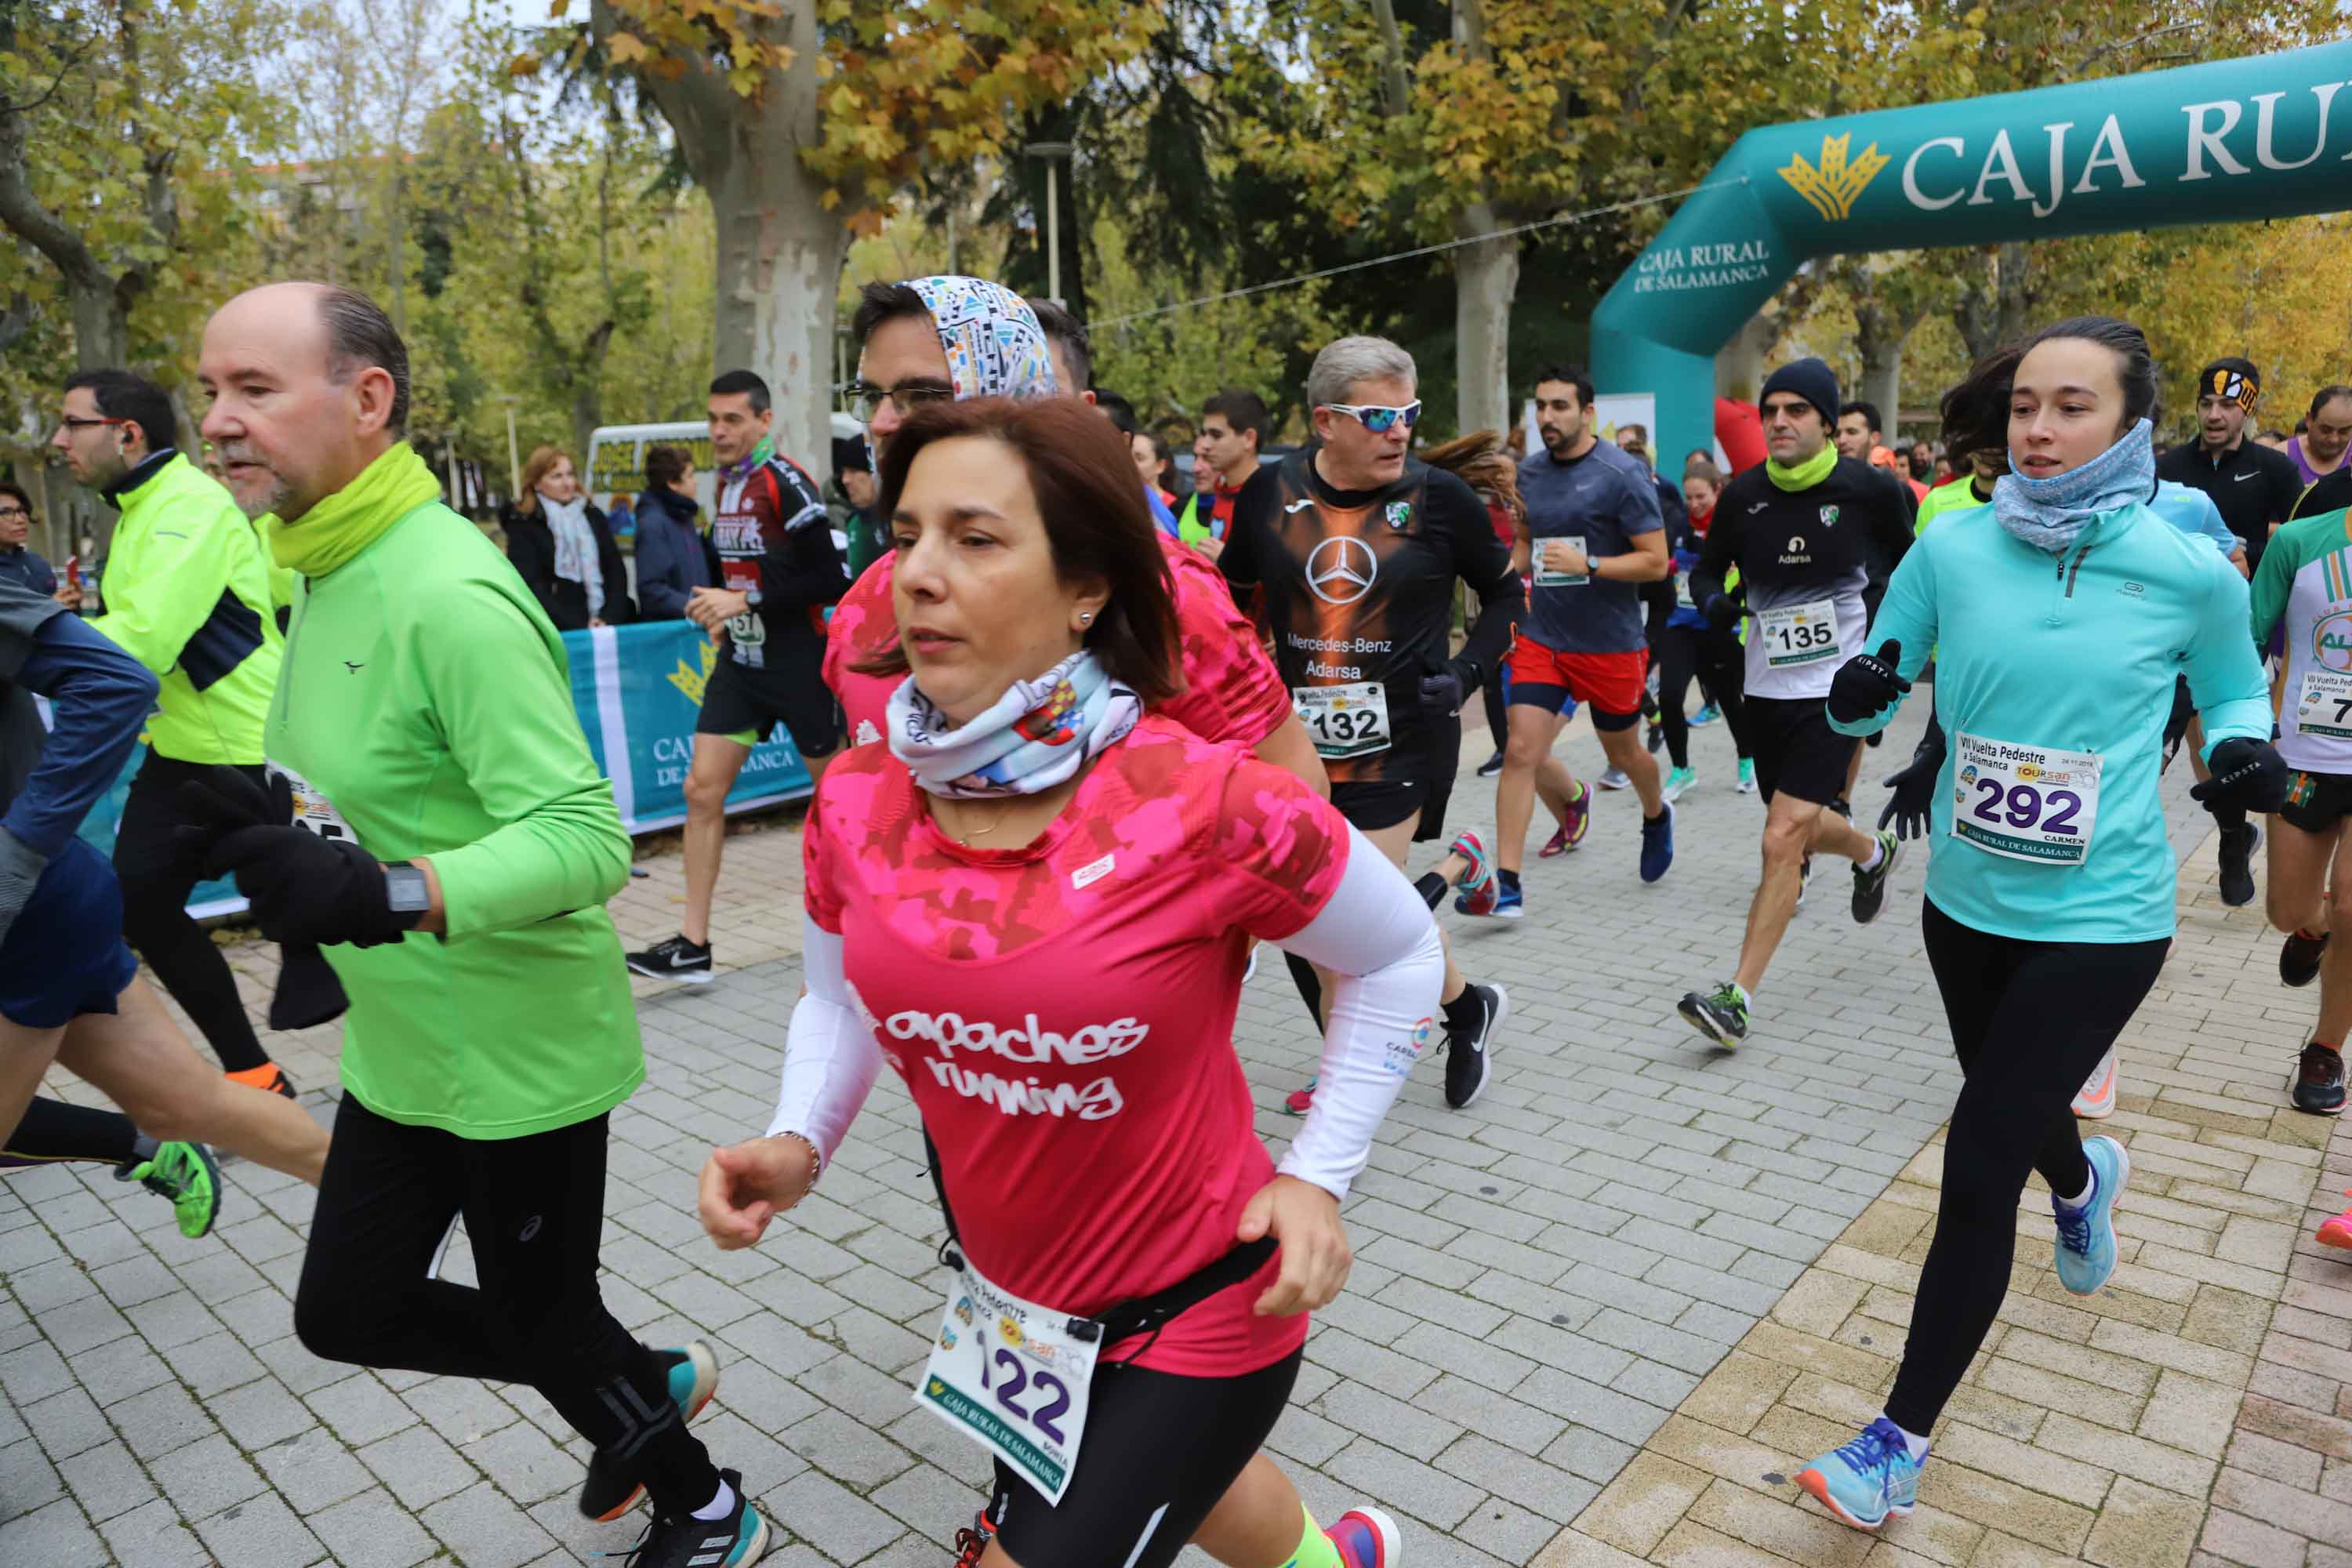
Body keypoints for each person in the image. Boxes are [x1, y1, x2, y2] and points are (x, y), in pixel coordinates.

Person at [698, 394, 1428, 1568]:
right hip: (1016, 1318)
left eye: (975, 540)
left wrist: (1319, 1178)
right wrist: (798, 1140)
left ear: (1087, 585)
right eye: (905, 538)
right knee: (1200, 1492)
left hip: (1199, 1307)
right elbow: (837, 999)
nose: (916, 578)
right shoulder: (856, 799)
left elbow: (1398, 956)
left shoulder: (1204, 801)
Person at [186, 281, 767, 1565]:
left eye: (255, 390)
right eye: (210, 392)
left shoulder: (445, 589)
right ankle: (635, 1378)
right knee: (347, 1310)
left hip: (518, 1053)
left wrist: (395, 893)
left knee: (546, 1319)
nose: (218, 421)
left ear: (368, 400)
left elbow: (587, 838)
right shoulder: (316, 563)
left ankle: (704, 1501)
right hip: (404, 1054)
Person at [1798, 315, 2281, 1531]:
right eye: (2025, 406)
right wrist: (1861, 694)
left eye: (2072, 406)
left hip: (2106, 914)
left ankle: (1896, 1443)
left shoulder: (2186, 567)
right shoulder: (1953, 545)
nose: (2040, 428)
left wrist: (2238, 748)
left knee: (1975, 1159)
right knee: (2021, 1128)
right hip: (1966, 903)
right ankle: (2085, 1176)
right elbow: (1885, 662)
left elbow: (2228, 683)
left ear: (2129, 423)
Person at [1221, 335, 1518, 1108]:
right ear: (1326, 420)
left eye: (1408, 413)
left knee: (1338, 924)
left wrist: (1463, 676)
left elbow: (1507, 600)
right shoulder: (1268, 495)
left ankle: (1345, 1114)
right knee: (1318, 916)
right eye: (1379, 414)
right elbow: (1226, 604)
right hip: (1295, 743)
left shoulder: (1439, 500)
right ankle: (1464, 1003)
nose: (1400, 430)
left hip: (1405, 738)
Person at [2, 575, 331, 1242]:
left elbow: (121, 674)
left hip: (34, 906)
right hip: (59, 897)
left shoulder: (183, 505)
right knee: (186, 1105)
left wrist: (17, 852)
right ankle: (403, 1199)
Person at [48, 368, 294, 1097]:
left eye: (72, 424)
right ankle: (255, 1076)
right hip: (187, 755)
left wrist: (29, 643)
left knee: (335, 913)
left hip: (251, 754)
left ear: (127, 435)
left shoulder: (187, 503)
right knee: (140, 906)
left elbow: (143, 640)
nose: (58, 440)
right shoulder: (139, 506)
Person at [1677, 358, 1913, 1047]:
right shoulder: (1744, 494)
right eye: (1770, 410)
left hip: (1841, 693)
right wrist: (1716, 602)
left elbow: (1918, 574)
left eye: (1796, 411)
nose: (1779, 421)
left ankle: (1737, 997)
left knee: (1781, 839)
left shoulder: (1869, 489)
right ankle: (1873, 852)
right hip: (1765, 689)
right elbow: (1702, 571)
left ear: (1827, 423)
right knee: (1800, 826)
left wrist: (1888, 655)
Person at [624, 371, 848, 985]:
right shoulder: (727, 484)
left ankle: (863, 935)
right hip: (743, 664)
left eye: (733, 421)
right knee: (701, 790)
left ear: (763, 421)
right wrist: (725, 613)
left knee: (839, 807)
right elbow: (746, 572)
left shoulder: (785, 481)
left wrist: (744, 603)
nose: (719, 431)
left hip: (800, 663)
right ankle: (693, 945)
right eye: (713, 420)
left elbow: (832, 578)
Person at [1488, 365, 1673, 902]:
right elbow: (1525, 544)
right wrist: (1499, 575)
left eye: (1560, 406)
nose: (1548, 416)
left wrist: (1588, 563)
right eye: (1541, 406)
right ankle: (1508, 883)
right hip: (1544, 637)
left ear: (1588, 413)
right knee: (1522, 750)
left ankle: (1657, 813)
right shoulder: (1531, 472)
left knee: (1624, 753)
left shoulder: (1622, 474)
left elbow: (1656, 562)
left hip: (1611, 643)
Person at [2157, 358, 2305, 907]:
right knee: (2199, 743)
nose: (2214, 415)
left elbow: (2297, 548)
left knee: (2227, 734)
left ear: (2248, 411)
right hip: (2172, 627)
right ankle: (2232, 833)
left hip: (2245, 626)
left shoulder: (2273, 470)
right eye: (2206, 404)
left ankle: (2232, 835)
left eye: (2227, 406)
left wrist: (2250, 553)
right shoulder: (2168, 467)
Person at [2249, 488, 2352, 1116]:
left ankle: (2326, 1049)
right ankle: (2314, 929)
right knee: (2289, 910)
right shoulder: (2298, 542)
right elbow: (2246, 640)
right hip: (2306, 757)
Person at [1422, 430, 1530, 784]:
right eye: (1494, 472)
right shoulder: (1472, 504)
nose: (1500, 479)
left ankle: (1519, 745)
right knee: (1491, 682)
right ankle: (1504, 747)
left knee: (1514, 682)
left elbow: (1521, 566)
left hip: (1519, 600)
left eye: (1505, 472)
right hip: (1476, 598)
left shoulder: (1524, 508)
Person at [1652, 463, 1753, 798]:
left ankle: (1747, 758)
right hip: (1681, 627)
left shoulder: (1732, 526)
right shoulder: (1678, 523)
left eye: (1701, 497)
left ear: (1717, 491)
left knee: (1730, 701)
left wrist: (1734, 599)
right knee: (1668, 697)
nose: (1694, 503)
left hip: (1719, 629)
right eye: (1689, 496)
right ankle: (1681, 770)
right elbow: (1665, 563)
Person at [502, 445, 636, 631]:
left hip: (604, 623)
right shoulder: (524, 524)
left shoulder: (591, 514)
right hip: (560, 629)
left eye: (570, 474)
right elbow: (531, 586)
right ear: (537, 482)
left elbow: (615, 569)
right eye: (557, 476)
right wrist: (578, 626)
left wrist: (609, 617)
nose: (567, 483)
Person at [1181, 390, 1270, 559]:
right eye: (1204, 434)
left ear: (1249, 439)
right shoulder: (1222, 491)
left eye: (1216, 435)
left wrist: (1229, 560)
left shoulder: (1269, 498)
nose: (1205, 445)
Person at [633, 443, 713, 621]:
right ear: (672, 483)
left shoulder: (684, 517)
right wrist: (697, 607)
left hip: (694, 626)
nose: (696, 481)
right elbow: (652, 589)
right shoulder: (653, 525)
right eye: (690, 475)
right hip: (673, 633)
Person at [831, 434, 887, 577]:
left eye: (853, 471)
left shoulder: (896, 522)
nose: (845, 480)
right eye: (844, 472)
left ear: (876, 473)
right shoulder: (854, 524)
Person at [2288, 386, 2352, 494]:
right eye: (2326, 430)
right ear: (2309, 420)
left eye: (2343, 432)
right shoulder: (2281, 456)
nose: (2334, 439)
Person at [0, 484, 56, 596]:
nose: (20, 520)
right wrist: (51, 608)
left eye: (21, 510)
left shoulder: (38, 563)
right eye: (6, 512)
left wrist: (69, 602)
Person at [1132, 426, 1178, 514]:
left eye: (1139, 458)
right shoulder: (1121, 501)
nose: (1130, 462)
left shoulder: (1174, 508)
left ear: (1160, 466)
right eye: (1127, 455)